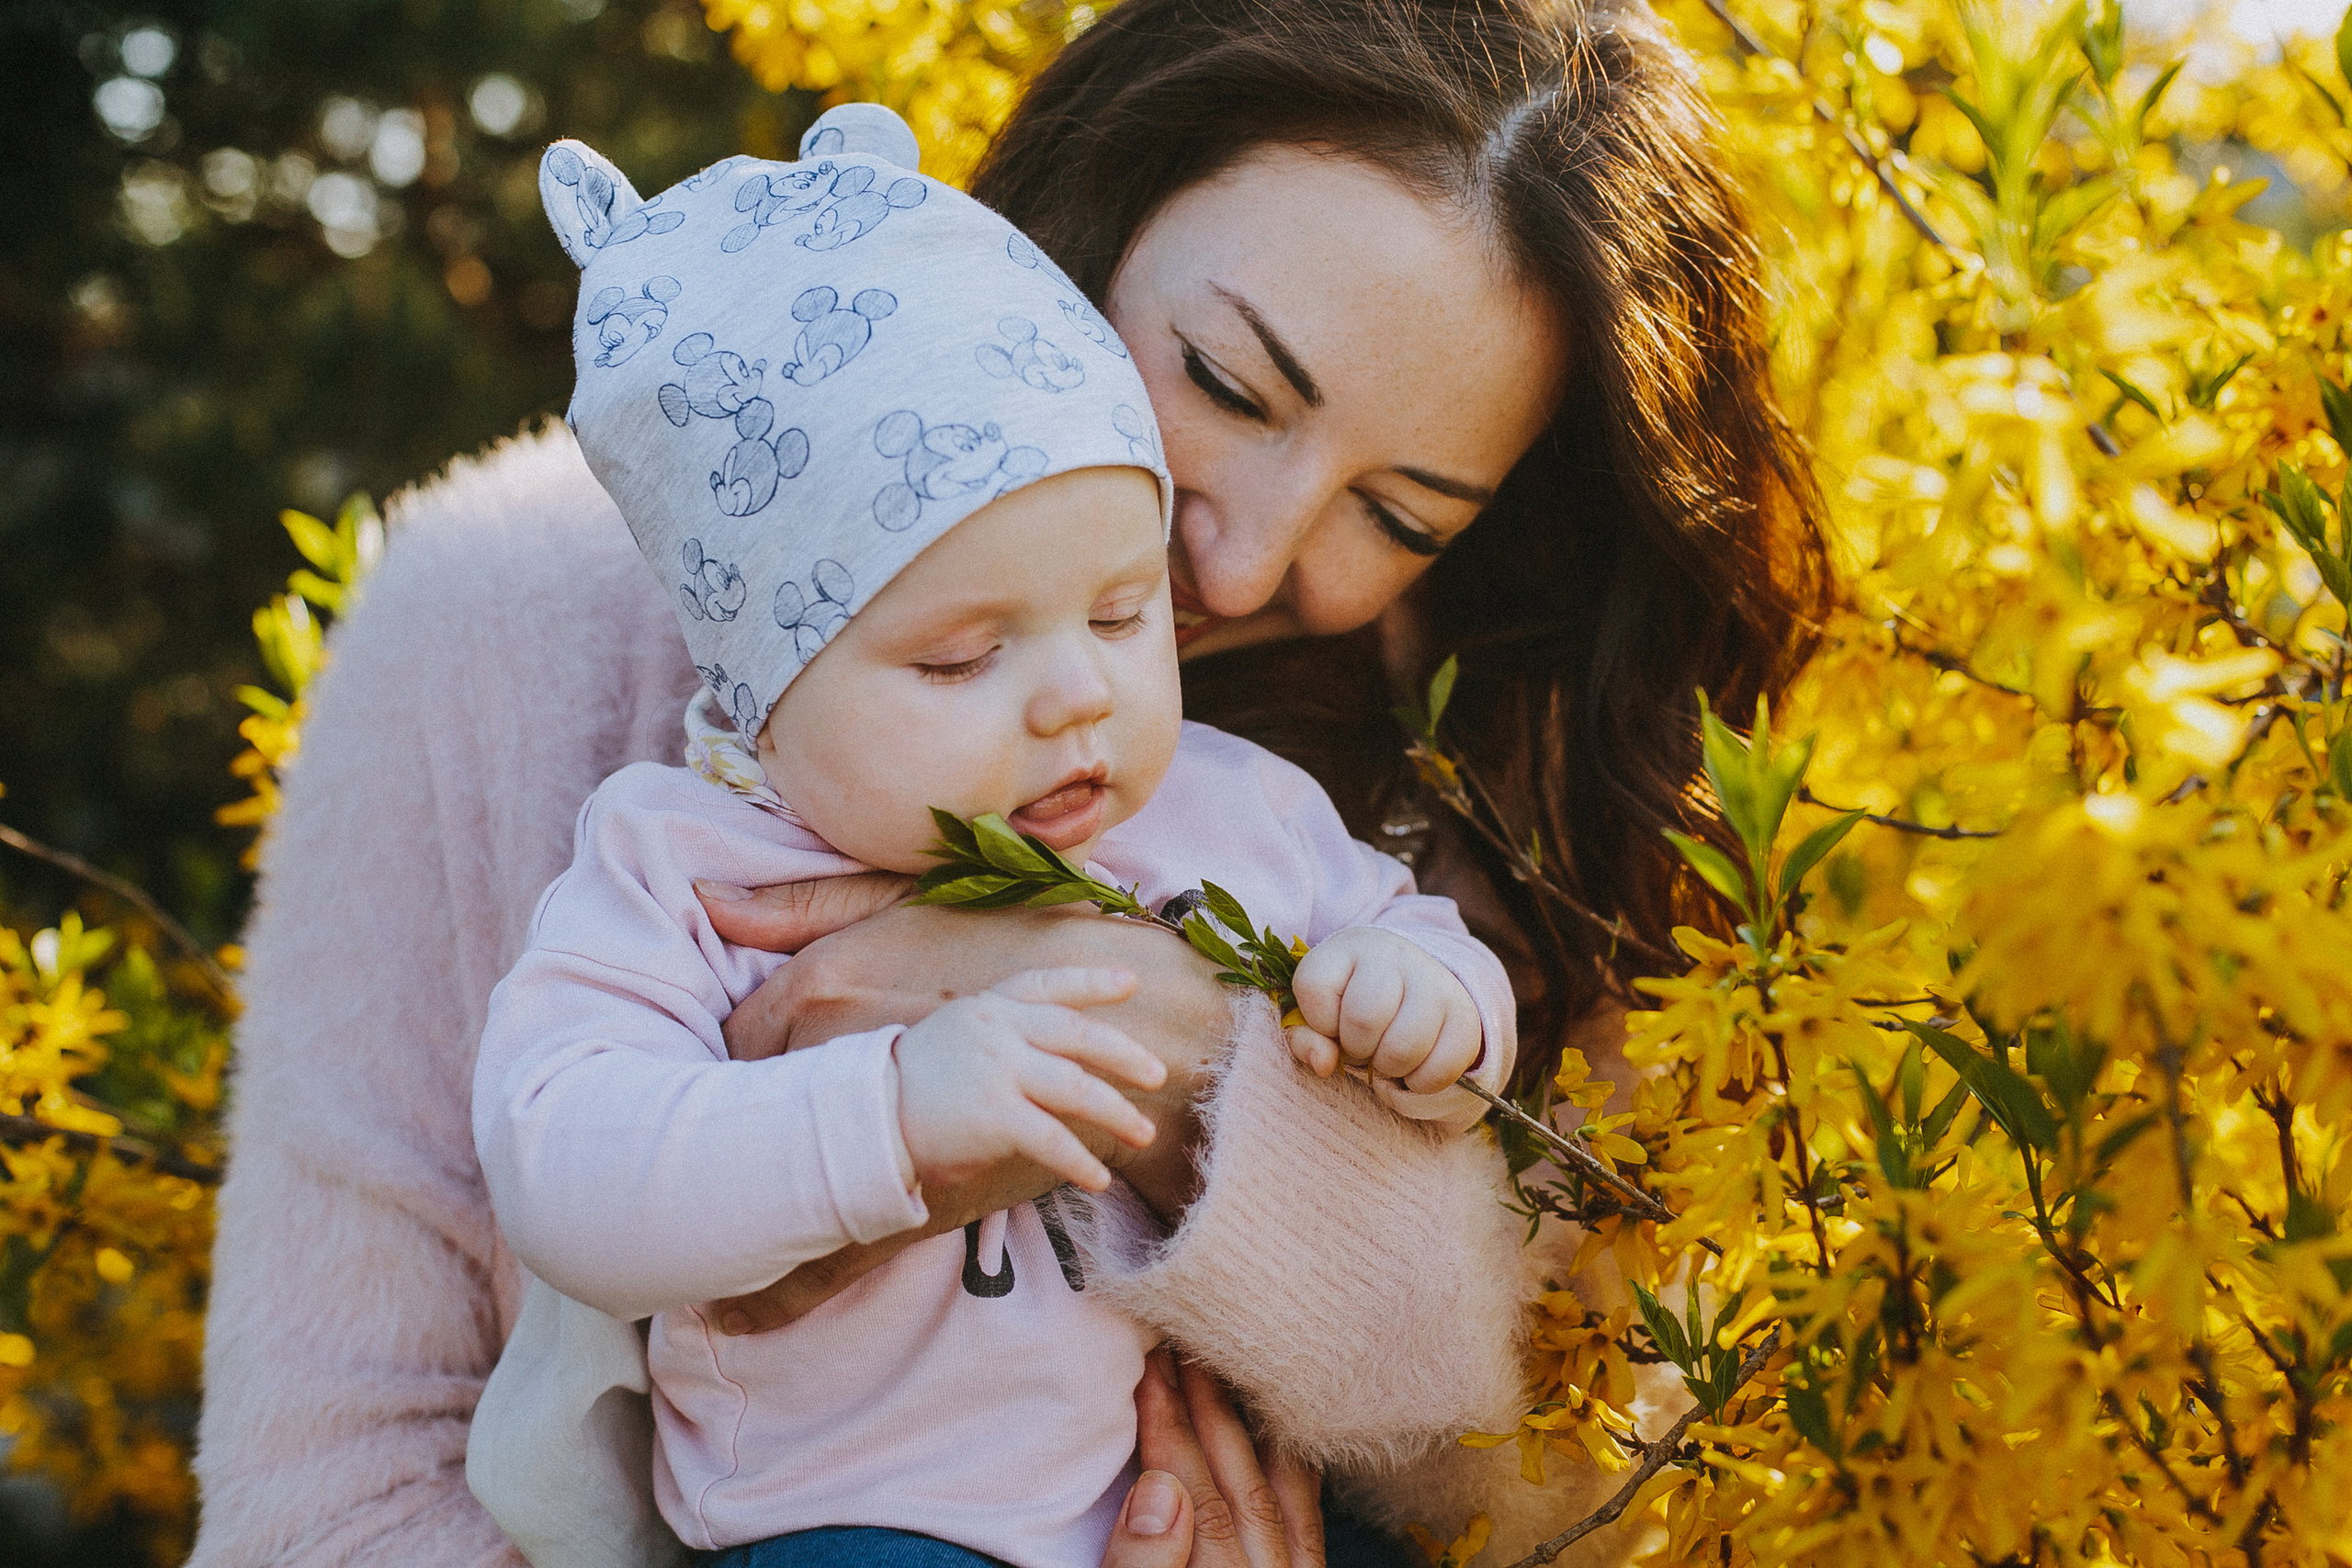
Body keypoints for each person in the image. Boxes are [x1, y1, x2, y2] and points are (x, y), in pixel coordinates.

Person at [189, 2, 1828, 1564]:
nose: (1240, 563)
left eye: (1400, 518)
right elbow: (328, 1500)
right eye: (1227, 382)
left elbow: (1566, 1487)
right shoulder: (504, 624)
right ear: (1088, 210)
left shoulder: (1517, 775)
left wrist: (1196, 1074)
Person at [467, 109, 1513, 1568]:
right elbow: (560, 1157)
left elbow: (1407, 936)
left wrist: (1430, 1003)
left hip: (1186, 1509)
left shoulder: (1233, 803)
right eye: (963, 659)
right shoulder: (687, 861)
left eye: (1121, 613)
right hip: (863, 1527)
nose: (1079, 696)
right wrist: (888, 1117)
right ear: (765, 697)